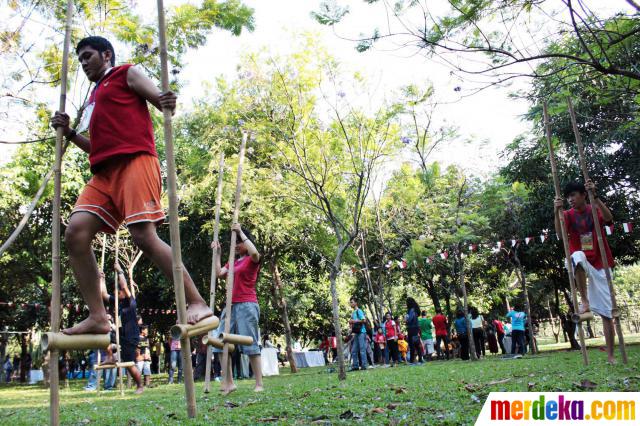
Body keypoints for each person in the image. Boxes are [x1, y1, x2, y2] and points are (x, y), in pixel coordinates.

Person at [50, 36, 213, 337]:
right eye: (80, 58)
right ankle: (98, 316)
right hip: (104, 173)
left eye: (88, 56)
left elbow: (161, 101)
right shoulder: (93, 98)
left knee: (143, 237)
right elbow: (97, 147)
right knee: (76, 233)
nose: (84, 62)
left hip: (135, 161)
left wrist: (167, 100)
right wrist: (70, 132)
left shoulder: (126, 73)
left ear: (106, 55)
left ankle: (197, 301)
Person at [554, 180, 617, 363]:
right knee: (576, 256)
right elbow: (559, 234)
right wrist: (556, 210)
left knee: (607, 312)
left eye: (573, 195)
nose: (570, 199)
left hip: (601, 263)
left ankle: (611, 355)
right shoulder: (567, 214)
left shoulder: (593, 208)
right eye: (568, 197)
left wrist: (595, 196)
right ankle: (584, 300)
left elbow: (608, 218)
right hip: (582, 260)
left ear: (582, 195)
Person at [212, 224, 263, 393]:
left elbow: (255, 253)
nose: (236, 246)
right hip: (230, 305)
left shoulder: (251, 259)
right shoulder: (232, 262)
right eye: (235, 243)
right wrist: (217, 253)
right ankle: (229, 382)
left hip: (247, 305)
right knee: (219, 342)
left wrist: (240, 231)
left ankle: (258, 384)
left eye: (239, 243)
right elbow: (219, 273)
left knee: (251, 344)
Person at [101, 263, 144, 394]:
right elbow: (103, 294)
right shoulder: (118, 304)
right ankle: (110, 356)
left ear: (123, 294)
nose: (116, 294)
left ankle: (140, 386)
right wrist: (101, 279)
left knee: (129, 364)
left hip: (131, 337)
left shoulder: (131, 303)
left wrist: (120, 271)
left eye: (118, 292)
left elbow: (124, 286)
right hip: (121, 335)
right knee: (103, 336)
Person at [347, 297, 369, 371]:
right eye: (350, 302)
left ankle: (364, 365)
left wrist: (354, 321)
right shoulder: (353, 313)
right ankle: (355, 366)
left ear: (356, 303)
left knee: (362, 349)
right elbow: (353, 323)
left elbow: (364, 320)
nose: (351, 303)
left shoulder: (359, 311)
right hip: (356, 333)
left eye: (352, 302)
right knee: (353, 350)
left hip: (362, 332)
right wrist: (350, 324)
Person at [405, 298, 423, 364]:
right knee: (417, 344)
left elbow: (409, 319)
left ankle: (412, 360)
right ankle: (420, 359)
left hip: (412, 328)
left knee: (412, 344)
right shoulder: (415, 309)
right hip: (415, 328)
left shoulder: (411, 310)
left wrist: (406, 320)